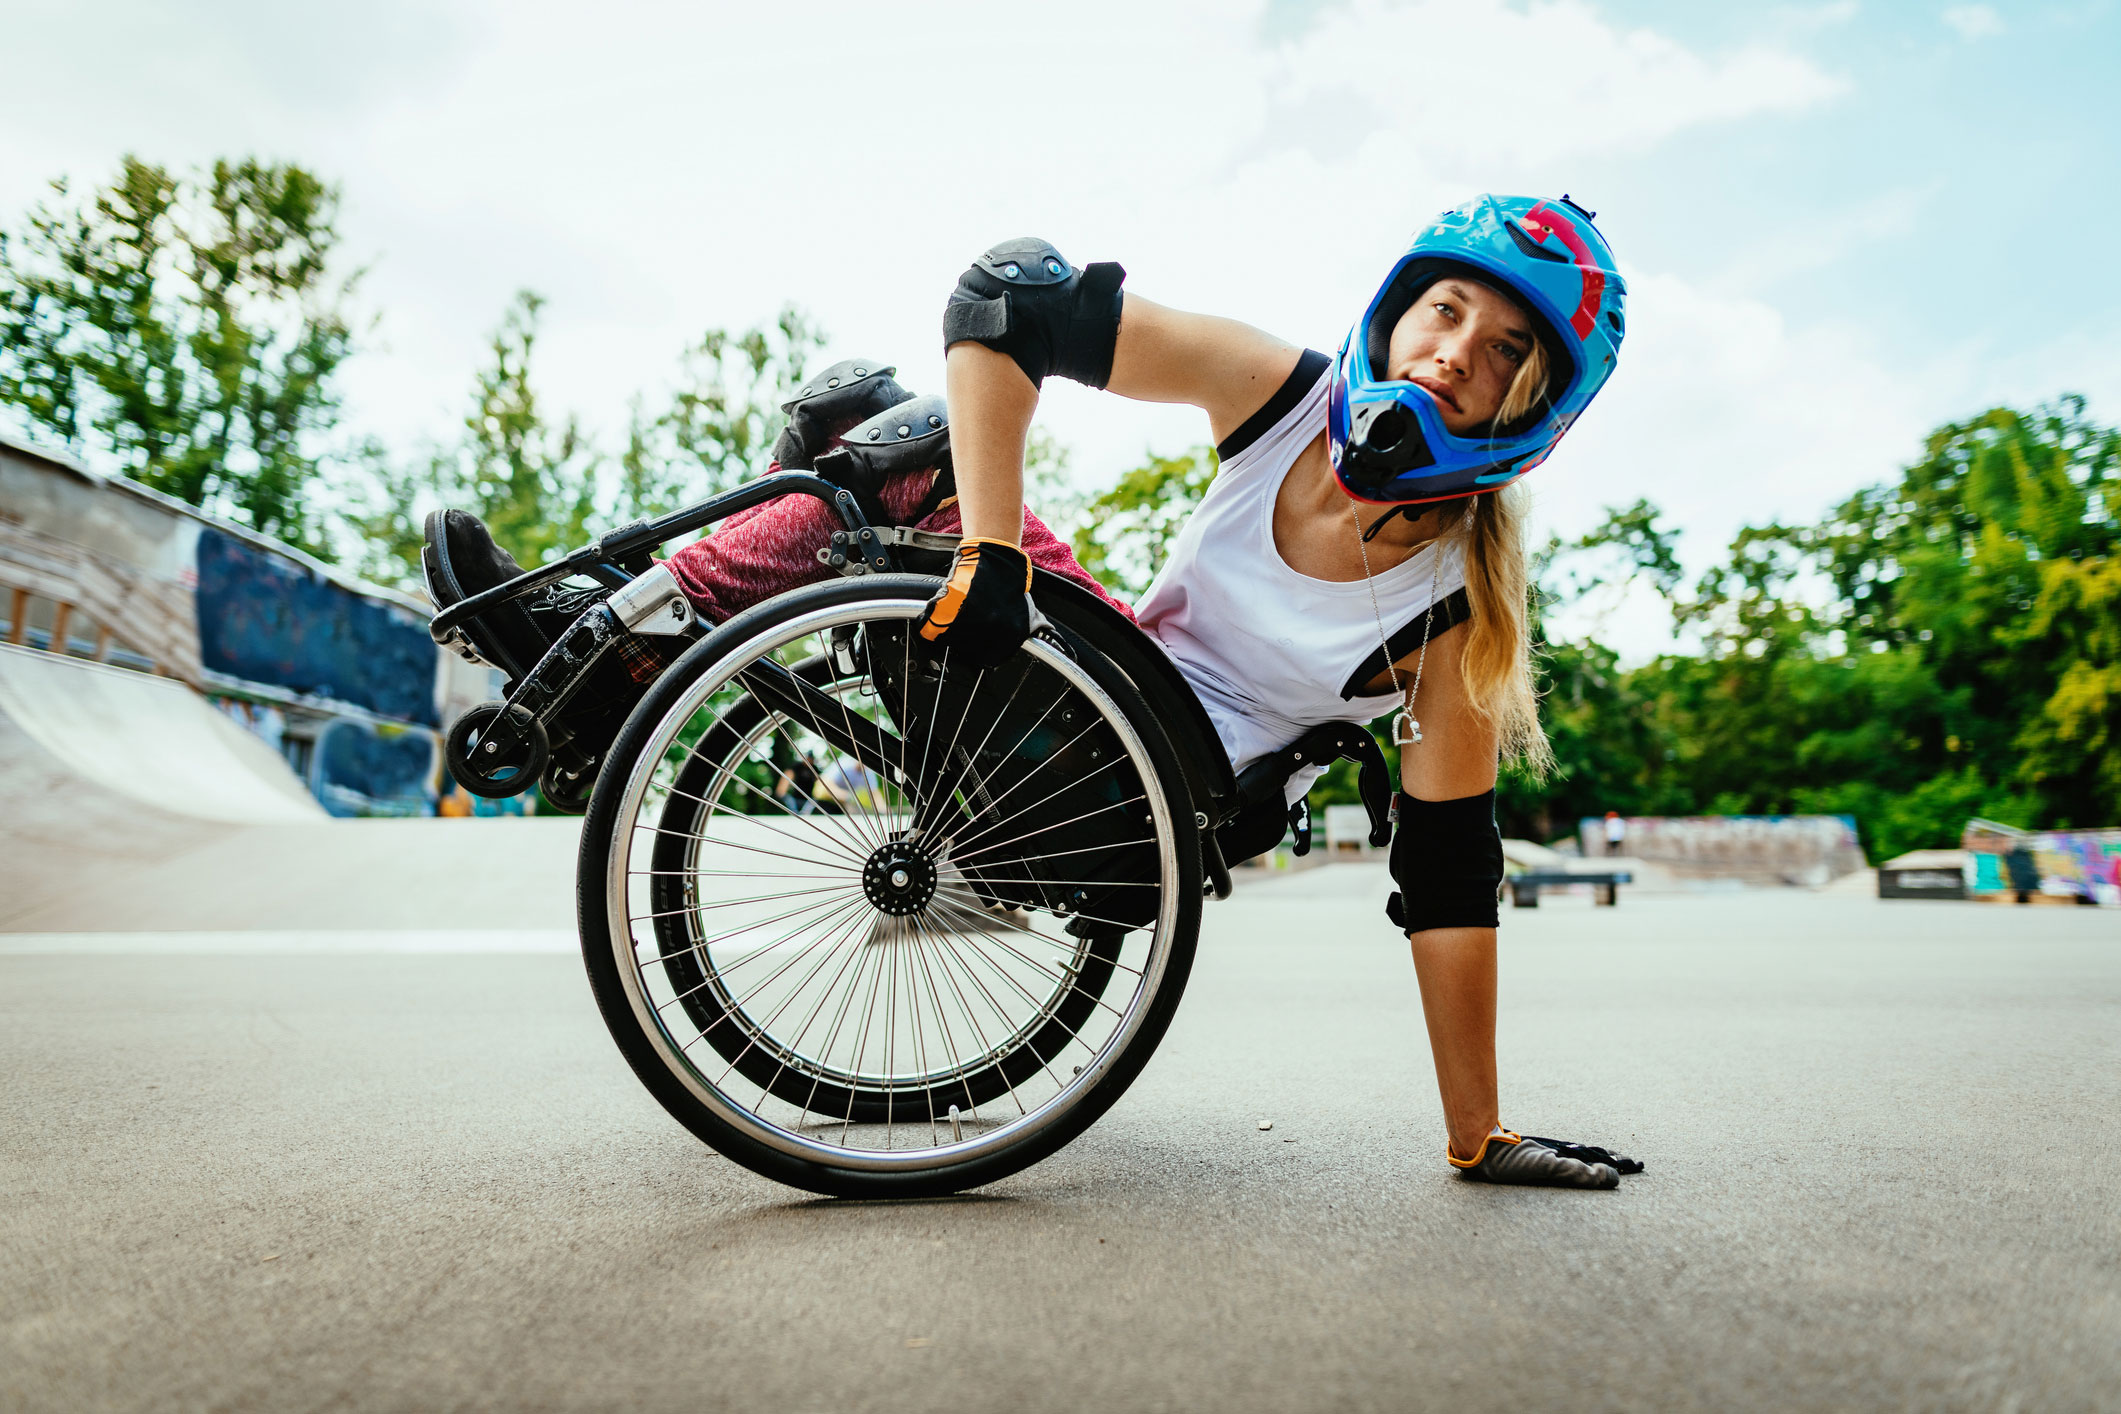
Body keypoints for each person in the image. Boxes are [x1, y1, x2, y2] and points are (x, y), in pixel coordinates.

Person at [426, 193, 1637, 1188]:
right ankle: (611, 654)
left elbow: (1447, 877)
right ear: (1400, 309)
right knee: (855, 422)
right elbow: (1006, 303)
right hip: (1099, 673)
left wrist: (1479, 1130)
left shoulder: (1452, 619)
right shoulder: (1286, 402)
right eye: (1445, 312)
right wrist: (991, 551)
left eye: (1503, 351)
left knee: (906, 448)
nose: (1452, 354)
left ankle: (587, 652)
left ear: (1534, 403)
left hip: (1148, 793)